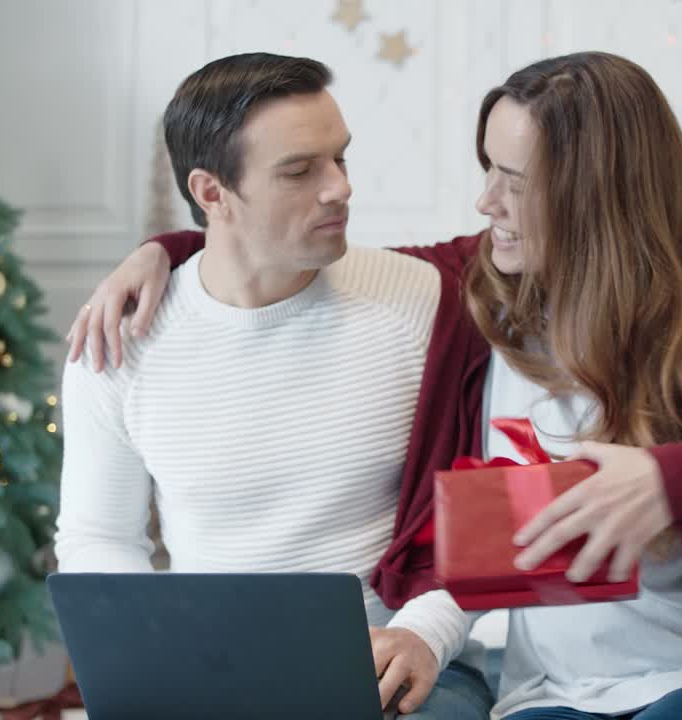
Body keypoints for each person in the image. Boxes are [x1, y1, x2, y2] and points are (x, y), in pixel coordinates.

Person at [69, 52, 682, 719]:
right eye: (489, 169)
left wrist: (674, 480)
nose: (488, 200)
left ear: (597, 188)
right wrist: (166, 252)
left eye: (514, 179)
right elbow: (255, 257)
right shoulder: (482, 285)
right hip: (540, 685)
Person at [54, 53, 493, 719]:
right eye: (300, 171)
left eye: (340, 158)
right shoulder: (119, 340)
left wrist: (425, 632)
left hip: (394, 670)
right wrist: (154, 658)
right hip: (209, 672)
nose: (339, 188)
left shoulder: (425, 301)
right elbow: (99, 534)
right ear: (211, 193)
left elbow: (490, 504)